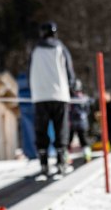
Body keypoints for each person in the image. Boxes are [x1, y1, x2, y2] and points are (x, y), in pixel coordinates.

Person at [29, 21, 76, 177]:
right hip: (60, 95)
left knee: (41, 130)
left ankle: (44, 164)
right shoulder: (60, 48)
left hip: (40, 96)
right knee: (61, 128)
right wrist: (72, 86)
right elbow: (69, 70)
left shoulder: (35, 50)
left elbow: (30, 70)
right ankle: (61, 162)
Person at [69, 79, 92, 162]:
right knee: (70, 141)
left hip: (77, 123)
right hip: (75, 123)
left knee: (83, 140)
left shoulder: (81, 98)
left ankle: (87, 155)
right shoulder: (73, 98)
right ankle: (66, 157)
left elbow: (87, 109)